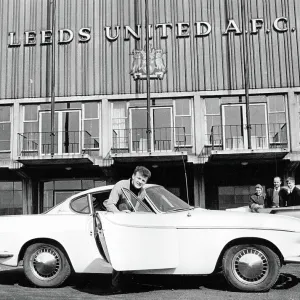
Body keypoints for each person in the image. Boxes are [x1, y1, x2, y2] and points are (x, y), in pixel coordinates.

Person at [103, 165, 151, 293]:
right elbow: (110, 204)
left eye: (143, 180)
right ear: (133, 176)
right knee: (119, 254)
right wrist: (120, 214)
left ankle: (127, 284)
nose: (140, 182)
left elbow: (136, 209)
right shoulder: (121, 185)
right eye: (139, 178)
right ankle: (115, 287)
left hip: (129, 225)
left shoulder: (143, 192)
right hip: (115, 221)